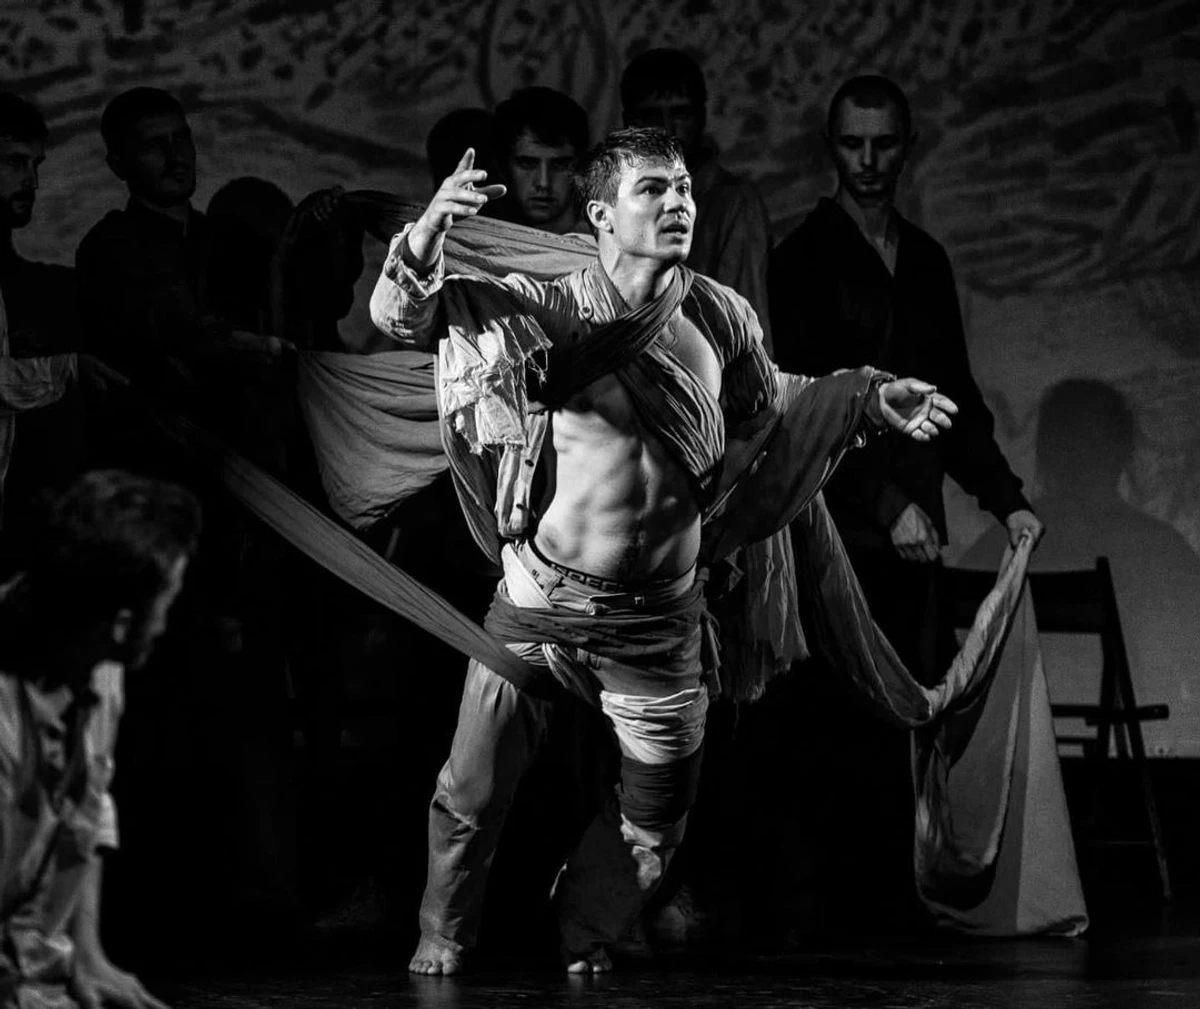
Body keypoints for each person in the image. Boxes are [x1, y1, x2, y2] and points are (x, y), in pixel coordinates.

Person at [369, 126, 957, 975]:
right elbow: (405, 318)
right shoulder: (548, 305)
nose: (678, 202)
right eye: (652, 189)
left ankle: (587, 927)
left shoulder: (719, 315)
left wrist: (868, 397)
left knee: (655, 818)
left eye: (682, 187)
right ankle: (444, 932)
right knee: (469, 793)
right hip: (542, 605)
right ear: (601, 214)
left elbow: (773, 406)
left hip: (660, 619)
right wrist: (426, 237)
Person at [769, 75, 1043, 683]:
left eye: (884, 144)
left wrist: (1008, 502)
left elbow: (956, 400)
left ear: (909, 145)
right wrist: (886, 506)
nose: (867, 161)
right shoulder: (800, 262)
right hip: (833, 538)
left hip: (913, 537)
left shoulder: (924, 260)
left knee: (919, 705)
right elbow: (801, 412)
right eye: (852, 144)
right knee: (843, 712)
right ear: (830, 146)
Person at [0, 468, 201, 1009]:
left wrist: (87, 956)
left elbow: (85, 807)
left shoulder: (100, 663)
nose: (166, 625)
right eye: (167, 602)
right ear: (121, 621)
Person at [621, 48, 774, 356]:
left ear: (701, 118)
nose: (667, 128)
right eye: (652, 116)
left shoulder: (732, 203)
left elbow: (746, 327)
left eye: (680, 113)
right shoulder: (614, 202)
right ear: (630, 123)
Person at [0, 93, 103, 546]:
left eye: (36, 164)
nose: (32, 181)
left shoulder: (51, 289)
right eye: (14, 162)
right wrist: (64, 370)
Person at [493, 86, 590, 235]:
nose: (543, 183)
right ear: (504, 167)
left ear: (582, 168)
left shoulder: (607, 244)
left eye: (560, 165)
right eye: (527, 164)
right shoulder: (474, 237)